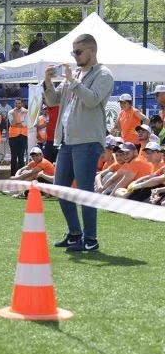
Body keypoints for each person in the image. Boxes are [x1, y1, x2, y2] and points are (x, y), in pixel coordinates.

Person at [43, 33, 114, 252]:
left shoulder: (104, 74)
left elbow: (92, 100)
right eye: (73, 52)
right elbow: (53, 101)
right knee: (60, 189)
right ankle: (75, 234)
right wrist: (47, 80)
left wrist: (73, 81)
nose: (75, 56)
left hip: (88, 140)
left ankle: (90, 239)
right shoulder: (74, 74)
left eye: (78, 51)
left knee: (84, 192)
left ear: (92, 50)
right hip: (66, 140)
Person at [7, 99, 29, 176]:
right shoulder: (10, 112)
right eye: (16, 103)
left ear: (22, 103)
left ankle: (21, 175)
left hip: (23, 136)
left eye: (19, 103)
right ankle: (13, 174)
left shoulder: (26, 111)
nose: (17, 104)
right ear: (14, 103)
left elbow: (26, 124)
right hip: (13, 136)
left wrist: (17, 123)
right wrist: (21, 123)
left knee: (21, 156)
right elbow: (12, 123)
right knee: (13, 156)